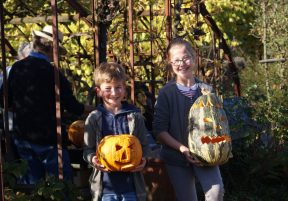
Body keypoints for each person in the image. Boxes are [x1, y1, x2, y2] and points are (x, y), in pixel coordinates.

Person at [0, 25, 94, 184]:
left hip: (23, 136)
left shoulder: (16, 68)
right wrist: (95, 109)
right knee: (60, 186)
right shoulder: (54, 74)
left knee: (31, 186)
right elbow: (73, 106)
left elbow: (4, 100)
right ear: (52, 48)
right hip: (50, 139)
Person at [152, 38, 224, 201]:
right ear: (170, 62)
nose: (182, 63)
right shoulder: (166, 93)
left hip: (206, 156)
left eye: (185, 58)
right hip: (176, 157)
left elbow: (218, 125)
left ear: (194, 58)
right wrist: (183, 149)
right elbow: (159, 131)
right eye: (176, 60)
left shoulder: (206, 91)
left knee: (216, 192)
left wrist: (217, 145)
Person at [83, 62, 150, 201]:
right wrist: (92, 159)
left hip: (132, 188)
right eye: (108, 88)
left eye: (118, 87)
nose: (114, 93)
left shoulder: (135, 117)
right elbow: (87, 150)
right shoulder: (94, 119)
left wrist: (144, 160)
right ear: (99, 91)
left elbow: (145, 146)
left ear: (124, 89)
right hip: (106, 189)